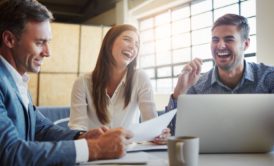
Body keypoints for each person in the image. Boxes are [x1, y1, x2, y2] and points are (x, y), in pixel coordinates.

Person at [0, 0, 132, 165]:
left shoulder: (17, 79)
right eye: (40, 43)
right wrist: (94, 148)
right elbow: (9, 153)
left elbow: (41, 128)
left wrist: (82, 137)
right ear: (9, 40)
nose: (48, 53)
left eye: (48, 42)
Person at [166, 13, 274, 134]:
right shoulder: (197, 86)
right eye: (215, 40)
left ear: (246, 44)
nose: (220, 45)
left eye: (229, 39)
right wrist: (178, 93)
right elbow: (173, 132)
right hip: (210, 152)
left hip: (263, 153)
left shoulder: (269, 78)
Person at [69, 24, 170, 144]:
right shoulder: (82, 82)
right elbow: (77, 129)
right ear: (109, 43)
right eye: (127, 39)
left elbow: (152, 124)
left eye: (137, 44)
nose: (133, 47)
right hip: (95, 151)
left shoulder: (140, 78)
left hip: (130, 152)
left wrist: (159, 135)